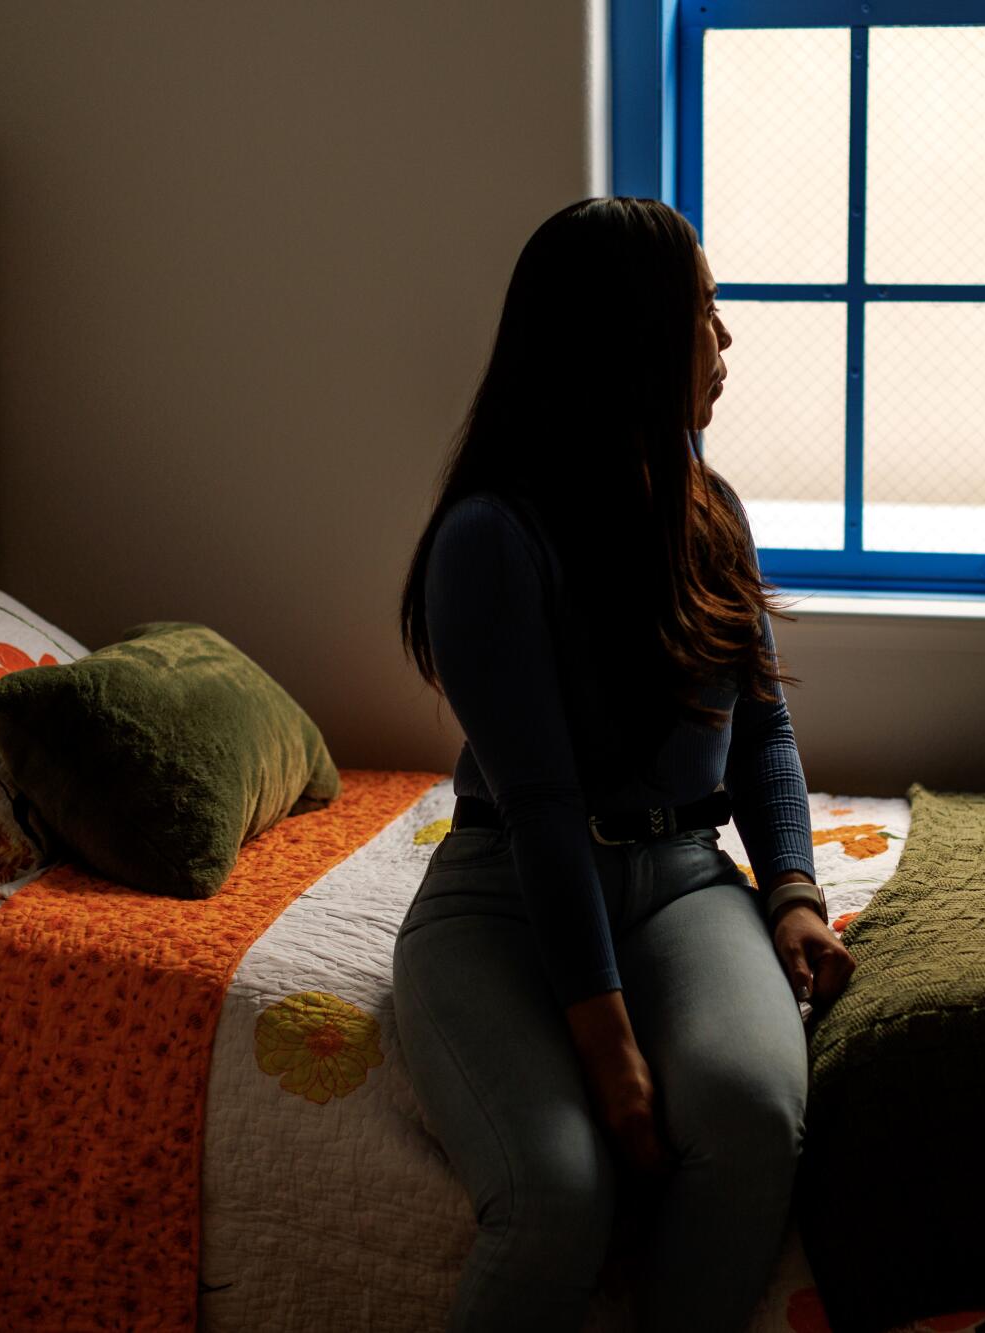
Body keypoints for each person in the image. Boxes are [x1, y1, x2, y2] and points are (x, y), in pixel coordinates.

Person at [393, 196, 858, 1333]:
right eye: (703, 308)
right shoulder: (487, 538)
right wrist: (610, 1052)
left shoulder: (711, 515)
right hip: (506, 898)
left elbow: (761, 733)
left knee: (751, 1120)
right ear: (631, 335)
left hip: (684, 883)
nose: (725, 337)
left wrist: (791, 891)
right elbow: (544, 809)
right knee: (558, 1190)